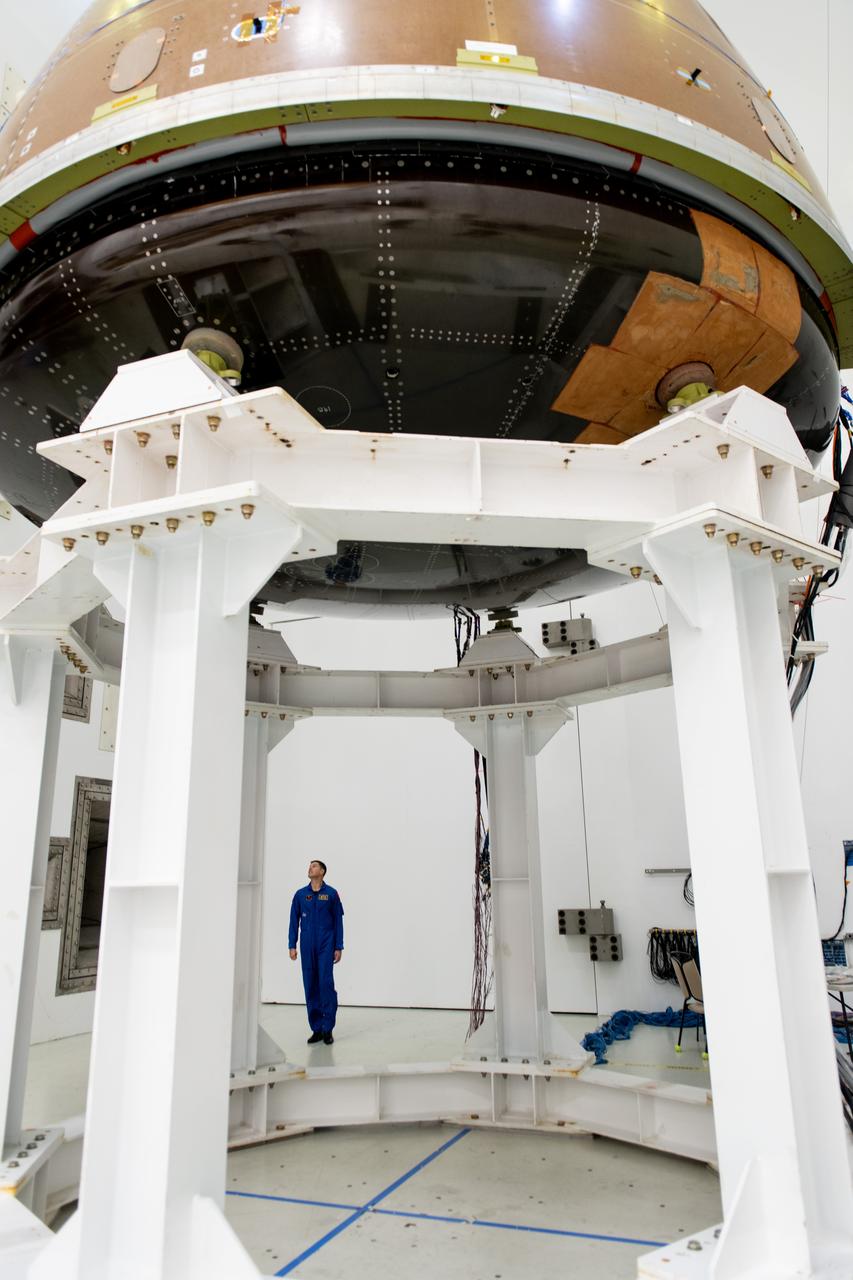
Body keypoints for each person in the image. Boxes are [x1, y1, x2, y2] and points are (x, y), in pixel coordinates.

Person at [288, 859, 344, 1044]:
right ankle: (316, 1028)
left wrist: (338, 946)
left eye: (314, 865)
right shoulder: (301, 895)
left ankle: (328, 1028)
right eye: (309, 865)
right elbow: (293, 921)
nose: (310, 868)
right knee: (310, 985)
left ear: (322, 871)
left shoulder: (332, 894)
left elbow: (338, 922)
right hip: (306, 945)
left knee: (325, 984)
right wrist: (292, 944)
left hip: (326, 945)